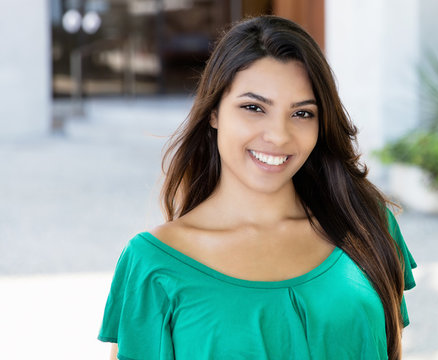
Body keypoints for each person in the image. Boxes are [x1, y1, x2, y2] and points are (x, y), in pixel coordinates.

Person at [97, 15, 417, 360]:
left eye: (302, 113)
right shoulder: (153, 265)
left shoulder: (366, 225)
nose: (279, 135)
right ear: (213, 113)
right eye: (253, 107)